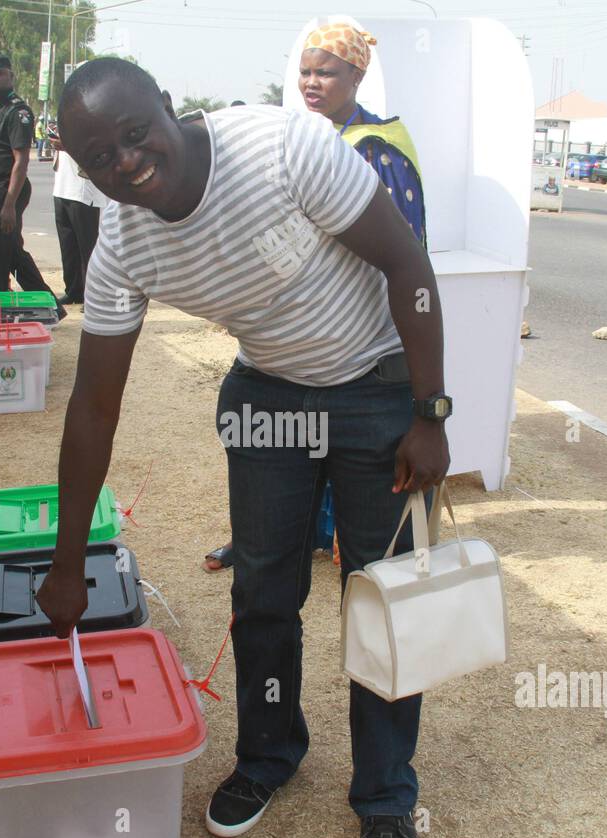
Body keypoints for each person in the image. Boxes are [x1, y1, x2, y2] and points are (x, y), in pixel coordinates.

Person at [40, 58, 451, 838]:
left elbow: (410, 266)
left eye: (134, 133)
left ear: (168, 101)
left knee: (383, 597)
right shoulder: (122, 246)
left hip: (376, 385)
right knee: (264, 591)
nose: (125, 161)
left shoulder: (284, 149)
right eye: (99, 157)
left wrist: (430, 411)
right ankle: (268, 757)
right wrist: (66, 565)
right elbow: (93, 409)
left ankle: (385, 791)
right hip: (270, 396)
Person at [204, 22, 428, 572]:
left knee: (366, 515)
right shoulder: (297, 137)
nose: (311, 82)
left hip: (362, 340)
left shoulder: (378, 147)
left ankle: (341, 541)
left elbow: (403, 252)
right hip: (295, 341)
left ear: (356, 76)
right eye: (304, 71)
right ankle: (289, 538)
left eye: (325, 72)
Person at [0, 53, 57, 300]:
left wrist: (9, 205)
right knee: (11, 251)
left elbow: (21, 161)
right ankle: (49, 305)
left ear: (10, 77)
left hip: (7, 189)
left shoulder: (18, 112)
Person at [51, 127, 108, 305]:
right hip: (62, 187)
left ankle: (94, 296)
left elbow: (100, 150)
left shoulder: (95, 118)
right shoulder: (70, 118)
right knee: (68, 247)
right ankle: (74, 291)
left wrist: (67, 146)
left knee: (88, 249)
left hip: (84, 192)